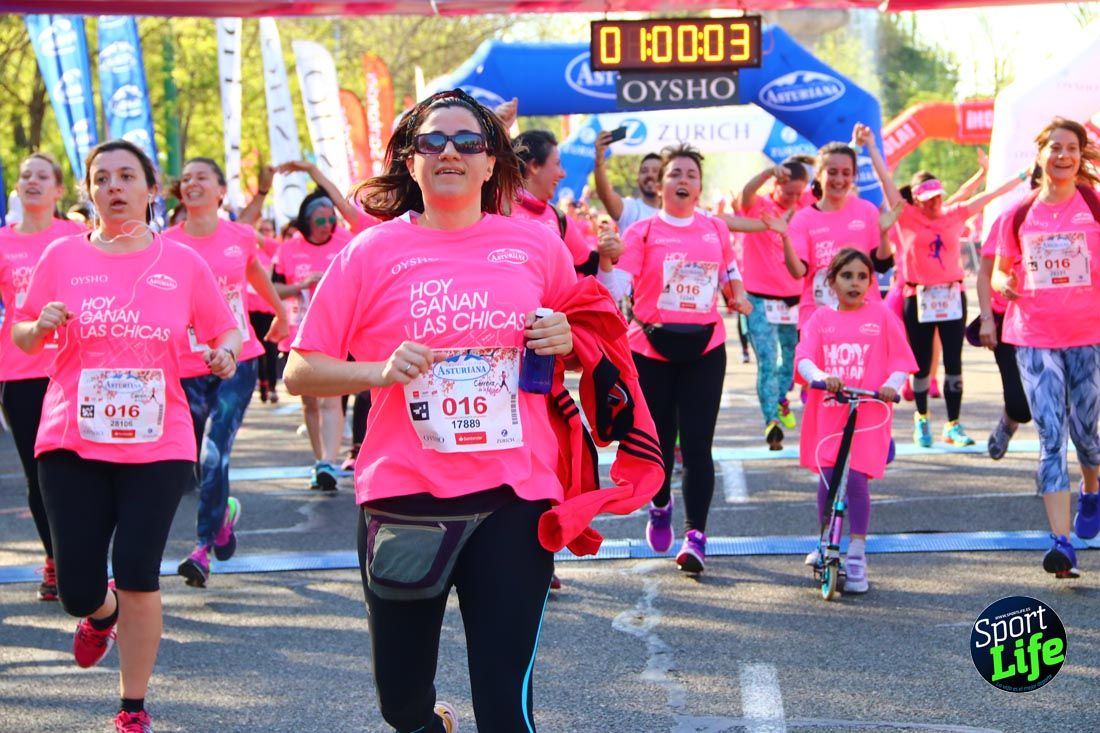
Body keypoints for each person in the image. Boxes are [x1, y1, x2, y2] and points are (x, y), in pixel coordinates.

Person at [284, 89, 578, 733]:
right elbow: (299, 371)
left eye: (468, 142)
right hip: (406, 498)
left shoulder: (536, 244)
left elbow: (588, 340)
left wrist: (569, 340)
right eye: (432, 141)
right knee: (402, 705)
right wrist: (377, 371)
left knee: (506, 709)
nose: (450, 152)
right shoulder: (370, 252)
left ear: (492, 162)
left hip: (515, 496)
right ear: (410, 161)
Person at [12, 139, 240, 733]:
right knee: (77, 589)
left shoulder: (181, 263)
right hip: (72, 439)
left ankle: (132, 707)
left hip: (158, 441)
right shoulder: (62, 256)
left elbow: (226, 330)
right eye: (102, 178)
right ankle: (99, 614)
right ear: (89, 191)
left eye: (126, 176)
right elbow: (23, 336)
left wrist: (223, 354)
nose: (114, 186)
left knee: (139, 569)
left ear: (151, 189)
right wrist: (41, 325)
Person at [601, 144, 767, 573]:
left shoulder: (715, 229)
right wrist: (605, 261)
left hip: (704, 348)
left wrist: (738, 295)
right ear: (661, 185)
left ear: (699, 187)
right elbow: (617, 287)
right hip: (650, 347)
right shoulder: (642, 232)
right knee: (657, 442)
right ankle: (660, 505)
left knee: (697, 446)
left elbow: (730, 272)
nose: (683, 180)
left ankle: (695, 537)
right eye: (675, 173)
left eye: (691, 175)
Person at [860, 123, 1023, 449]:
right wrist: (871, 146)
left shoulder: (954, 213)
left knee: (953, 361)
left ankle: (953, 424)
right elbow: (886, 180)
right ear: (916, 199)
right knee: (920, 363)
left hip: (952, 295)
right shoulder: (905, 216)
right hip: (917, 296)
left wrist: (1024, 176)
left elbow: (991, 195)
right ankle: (922, 418)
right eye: (928, 199)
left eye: (937, 197)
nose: (934, 203)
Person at [166, 157, 289, 588]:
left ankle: (201, 549)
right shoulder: (166, 243)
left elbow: (255, 272)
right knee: (193, 458)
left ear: (221, 190)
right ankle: (222, 518)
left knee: (214, 452)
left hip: (238, 359)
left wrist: (281, 314)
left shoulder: (240, 235)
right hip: (186, 362)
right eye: (186, 178)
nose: (192, 183)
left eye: (202, 177)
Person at [991, 117, 1100, 577]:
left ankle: (1091, 490)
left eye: (1071, 147)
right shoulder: (1018, 213)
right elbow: (999, 269)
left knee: (1087, 436)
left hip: (1089, 335)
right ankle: (1061, 543)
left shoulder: (1093, 205)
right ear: (1040, 154)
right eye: (1054, 147)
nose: (1062, 155)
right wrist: (1004, 283)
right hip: (1034, 335)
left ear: (1080, 155)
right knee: (1051, 436)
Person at [797, 249, 917, 593]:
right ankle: (825, 541)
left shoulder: (881, 316)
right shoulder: (821, 318)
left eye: (862, 276)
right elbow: (804, 358)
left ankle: (857, 555)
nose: (855, 283)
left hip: (868, 412)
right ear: (832, 282)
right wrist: (822, 377)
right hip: (831, 410)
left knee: (857, 480)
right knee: (829, 476)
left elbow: (901, 361)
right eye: (847, 276)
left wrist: (891, 386)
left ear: (870, 282)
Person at [0, 152, 85, 601]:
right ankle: (56, 559)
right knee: (40, 475)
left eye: (42, 176)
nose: (32, 181)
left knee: (84, 468)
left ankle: (84, 556)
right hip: (20, 370)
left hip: (76, 366)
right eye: (25, 175)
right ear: (17, 187)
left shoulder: (76, 237)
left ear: (58, 189)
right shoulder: (2, 242)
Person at [272, 160, 372, 491]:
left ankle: (328, 461)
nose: (327, 225)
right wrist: (301, 286)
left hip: (338, 332)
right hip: (299, 332)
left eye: (331, 219)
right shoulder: (289, 249)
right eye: (320, 220)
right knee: (310, 402)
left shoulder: (346, 240)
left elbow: (345, 206)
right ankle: (319, 458)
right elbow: (273, 288)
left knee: (331, 399)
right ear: (306, 221)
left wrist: (313, 172)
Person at [736, 159, 811, 449]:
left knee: (790, 359)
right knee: (767, 361)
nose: (793, 198)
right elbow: (746, 192)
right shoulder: (759, 205)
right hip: (758, 299)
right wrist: (767, 171)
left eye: (798, 193)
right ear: (776, 184)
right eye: (788, 192)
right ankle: (772, 421)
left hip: (792, 301)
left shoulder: (805, 207)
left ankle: (780, 398)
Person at [975, 206, 1033, 459]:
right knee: (1021, 406)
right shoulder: (1012, 217)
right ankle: (1009, 421)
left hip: (1062, 325)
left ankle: (1052, 469)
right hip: (1010, 324)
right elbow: (986, 273)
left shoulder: (1086, 211)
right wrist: (986, 319)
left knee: (1063, 405)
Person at [512, 129, 611, 276]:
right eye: (558, 164)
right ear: (534, 166)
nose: (562, 173)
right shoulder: (494, 208)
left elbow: (588, 263)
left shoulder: (559, 218)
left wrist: (610, 253)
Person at [593, 129, 661, 231]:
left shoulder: (675, 214)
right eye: (644, 171)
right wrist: (599, 158)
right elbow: (605, 194)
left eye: (656, 171)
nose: (650, 175)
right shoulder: (630, 209)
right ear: (637, 178)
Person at [248, 218, 283, 403]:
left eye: (268, 230)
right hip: (250, 309)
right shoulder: (250, 251)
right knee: (258, 350)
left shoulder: (274, 249)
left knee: (270, 350)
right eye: (261, 229)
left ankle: (272, 386)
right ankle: (262, 384)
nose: (264, 233)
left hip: (269, 309)